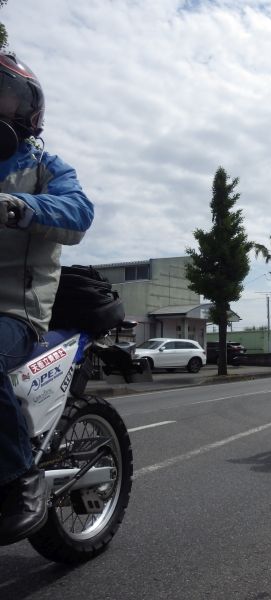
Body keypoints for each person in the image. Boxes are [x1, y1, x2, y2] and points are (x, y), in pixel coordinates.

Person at [0, 53, 94, 545]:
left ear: (27, 109)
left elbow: (78, 212)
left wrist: (19, 206)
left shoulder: (43, 166)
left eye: (4, 94)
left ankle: (19, 477)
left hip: (15, 311)